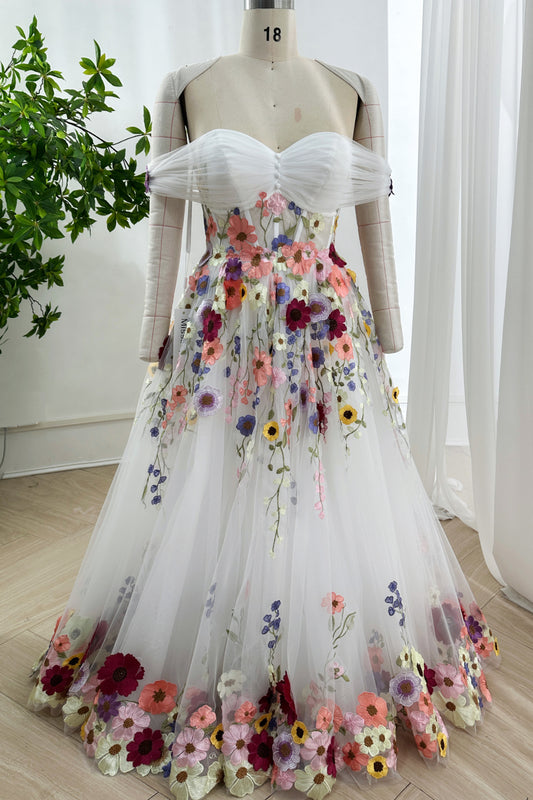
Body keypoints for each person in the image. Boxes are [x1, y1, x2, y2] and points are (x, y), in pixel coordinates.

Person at [28, 2, 500, 797]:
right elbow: (166, 228)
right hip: (222, 329)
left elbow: (372, 224)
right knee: (209, 486)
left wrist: (388, 325)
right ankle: (204, 664)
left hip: (325, 330)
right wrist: (153, 338)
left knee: (329, 490)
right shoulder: (187, 85)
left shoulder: (352, 87)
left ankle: (325, 658)